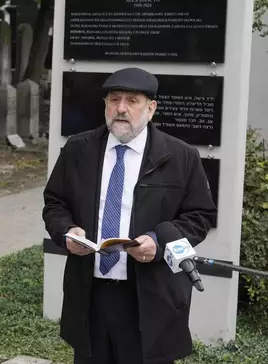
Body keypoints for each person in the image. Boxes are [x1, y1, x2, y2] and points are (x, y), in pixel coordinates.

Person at [42, 67, 217, 364]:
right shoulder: (78, 149)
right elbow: (55, 202)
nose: (120, 108)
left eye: (131, 100)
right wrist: (66, 231)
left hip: (150, 297)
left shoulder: (180, 156)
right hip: (90, 294)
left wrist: (157, 242)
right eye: (114, 99)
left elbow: (200, 216)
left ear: (151, 109)